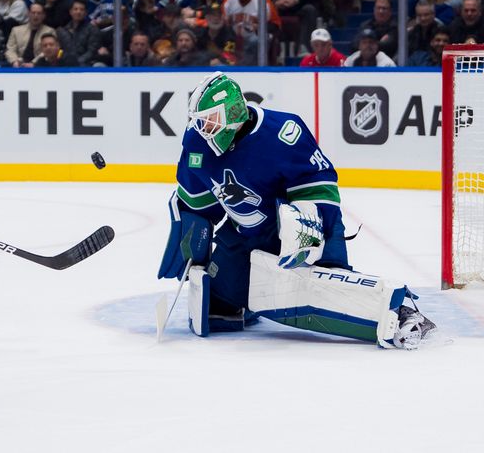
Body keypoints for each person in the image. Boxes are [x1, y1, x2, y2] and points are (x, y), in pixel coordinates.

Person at [158, 71, 437, 349]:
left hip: (298, 229)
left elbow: (320, 191)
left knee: (327, 288)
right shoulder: (196, 142)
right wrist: (190, 238)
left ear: (233, 112)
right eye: (201, 121)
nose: (204, 128)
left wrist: (317, 241)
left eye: (211, 119)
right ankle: (250, 296)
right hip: (244, 234)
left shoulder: (283, 132)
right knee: (218, 305)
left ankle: (400, 315)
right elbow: (197, 203)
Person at [5, 2, 55, 67]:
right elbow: (10, 49)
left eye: (39, 13)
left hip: (40, 66)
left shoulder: (50, 31)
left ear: (43, 16)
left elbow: (48, 51)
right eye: (33, 13)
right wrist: (14, 61)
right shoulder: (16, 30)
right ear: (28, 14)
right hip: (18, 66)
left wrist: (34, 63)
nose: (36, 15)